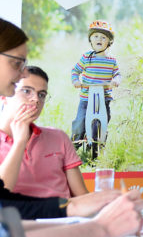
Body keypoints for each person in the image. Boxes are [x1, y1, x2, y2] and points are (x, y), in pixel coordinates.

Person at [0, 18, 143, 237]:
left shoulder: (56, 137)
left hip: (59, 223)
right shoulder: (85, 58)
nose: (22, 73)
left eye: (41, 94)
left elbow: (6, 213)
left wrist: (77, 206)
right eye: (17, 63)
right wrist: (100, 228)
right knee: (80, 121)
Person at [0, 66, 88, 198]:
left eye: (41, 94)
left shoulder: (59, 138)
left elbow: (82, 196)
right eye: (26, 91)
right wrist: (20, 142)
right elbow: (2, 193)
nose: (36, 99)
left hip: (65, 216)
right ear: (4, 96)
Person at [70, 20, 121, 142]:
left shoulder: (112, 60)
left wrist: (116, 80)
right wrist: (76, 80)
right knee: (79, 122)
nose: (100, 39)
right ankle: (75, 143)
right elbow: (75, 71)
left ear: (109, 42)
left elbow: (117, 73)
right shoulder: (86, 57)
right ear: (91, 40)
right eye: (96, 36)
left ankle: (99, 142)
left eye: (104, 37)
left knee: (103, 120)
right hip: (86, 97)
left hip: (104, 97)